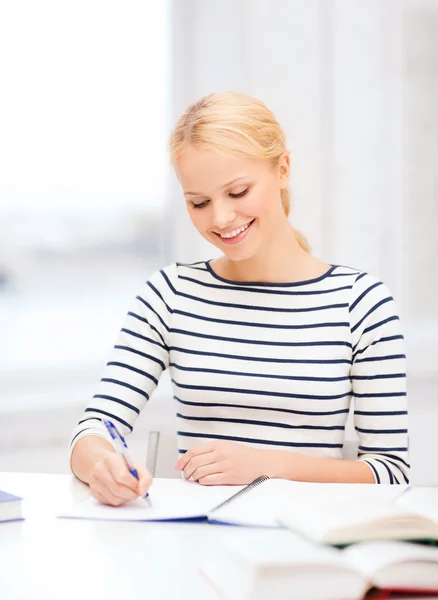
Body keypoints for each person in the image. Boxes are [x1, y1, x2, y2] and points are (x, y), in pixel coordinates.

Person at [70, 92, 409, 506]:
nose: (220, 219)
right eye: (199, 202)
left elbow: (391, 473)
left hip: (307, 547)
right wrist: (101, 463)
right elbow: (97, 427)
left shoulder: (361, 303)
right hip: (194, 541)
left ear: (283, 169)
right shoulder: (171, 295)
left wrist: (267, 467)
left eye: (237, 192)